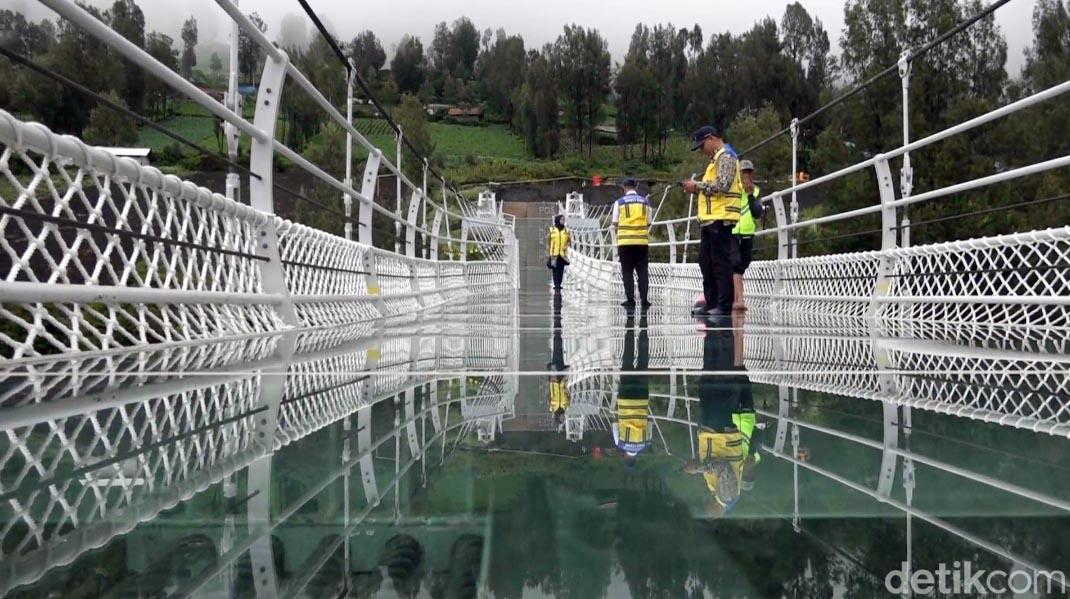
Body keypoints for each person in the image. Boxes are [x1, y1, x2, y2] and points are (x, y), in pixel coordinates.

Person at [683, 326, 763, 518]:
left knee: (709, 376)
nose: (706, 510)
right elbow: (723, 467)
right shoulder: (727, 496)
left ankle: (714, 325)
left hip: (713, 429)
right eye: (708, 514)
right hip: (720, 431)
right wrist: (697, 468)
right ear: (716, 514)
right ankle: (724, 325)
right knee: (718, 377)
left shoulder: (716, 492)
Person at [682, 126, 742, 318]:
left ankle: (724, 305)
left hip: (721, 218)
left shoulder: (726, 157)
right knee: (706, 261)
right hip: (710, 220)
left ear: (711, 139)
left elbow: (722, 185)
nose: (702, 150)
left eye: (702, 145)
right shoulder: (715, 160)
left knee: (720, 263)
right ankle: (712, 302)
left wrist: (696, 186)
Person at [613, 314, 651, 467]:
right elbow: (615, 422)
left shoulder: (646, 443)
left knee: (643, 361)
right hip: (625, 399)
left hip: (641, 399)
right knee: (627, 359)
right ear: (624, 457)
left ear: (636, 458)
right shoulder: (620, 443)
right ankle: (629, 322)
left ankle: (643, 324)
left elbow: (649, 422)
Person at [611, 178, 652, 310]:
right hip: (641, 242)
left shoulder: (620, 202)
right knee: (642, 271)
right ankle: (644, 300)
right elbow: (649, 222)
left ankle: (630, 300)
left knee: (627, 272)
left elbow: (615, 222)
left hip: (625, 242)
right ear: (636, 186)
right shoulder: (645, 202)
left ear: (624, 187)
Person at [732, 160, 762, 311]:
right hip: (732, 231)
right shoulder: (733, 189)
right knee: (736, 265)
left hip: (747, 232)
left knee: (743, 264)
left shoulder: (755, 191)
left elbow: (757, 213)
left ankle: (734, 296)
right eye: (743, 173)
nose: (746, 176)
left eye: (749, 173)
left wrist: (750, 195)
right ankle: (739, 300)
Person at [546, 214, 570, 291]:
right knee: (555, 270)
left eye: (564, 220)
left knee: (561, 270)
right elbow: (548, 242)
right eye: (561, 220)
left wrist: (566, 247)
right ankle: (556, 285)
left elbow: (569, 241)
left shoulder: (566, 231)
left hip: (562, 254)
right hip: (554, 254)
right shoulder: (552, 230)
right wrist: (548, 253)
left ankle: (559, 283)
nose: (563, 221)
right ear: (557, 220)